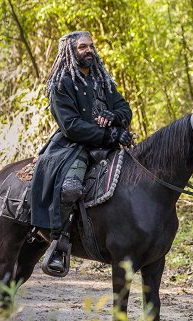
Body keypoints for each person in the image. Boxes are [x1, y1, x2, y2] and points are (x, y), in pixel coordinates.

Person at [31, 31, 133, 273]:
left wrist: (115, 117)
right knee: (70, 188)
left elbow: (124, 108)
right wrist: (110, 134)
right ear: (71, 51)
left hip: (110, 145)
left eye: (91, 46)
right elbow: (71, 126)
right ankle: (58, 244)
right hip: (73, 147)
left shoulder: (103, 79)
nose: (89, 50)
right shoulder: (61, 83)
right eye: (82, 47)